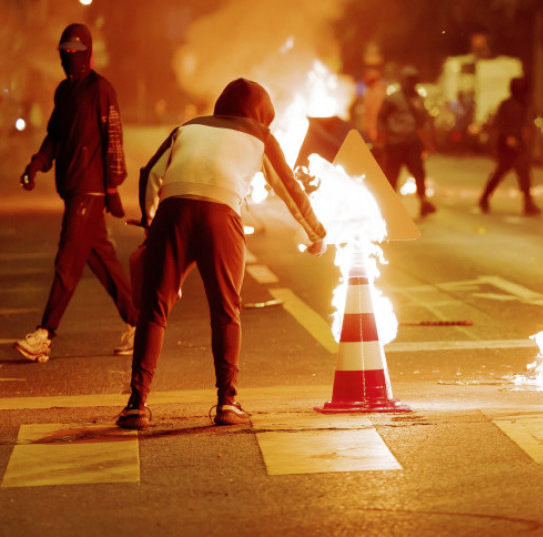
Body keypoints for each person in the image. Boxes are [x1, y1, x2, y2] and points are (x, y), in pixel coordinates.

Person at [115, 78, 328, 430]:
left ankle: (136, 405)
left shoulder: (188, 127)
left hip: (173, 213)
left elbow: (150, 174)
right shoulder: (261, 137)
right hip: (220, 217)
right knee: (225, 310)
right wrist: (315, 233)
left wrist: (151, 223)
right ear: (262, 113)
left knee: (154, 309)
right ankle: (226, 403)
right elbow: (288, 189)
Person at [14, 23, 137, 363]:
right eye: (65, 51)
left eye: (76, 51)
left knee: (67, 260)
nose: (70, 56)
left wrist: (113, 185)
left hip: (91, 190)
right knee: (102, 261)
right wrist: (37, 164)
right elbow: (55, 135)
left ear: (88, 52)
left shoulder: (102, 90)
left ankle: (45, 334)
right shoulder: (65, 93)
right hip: (72, 188)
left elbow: (113, 139)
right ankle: (139, 324)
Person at [376, 66, 436, 218]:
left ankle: (423, 202)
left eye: (414, 80)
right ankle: (388, 207)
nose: (412, 83)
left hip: (412, 142)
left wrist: (427, 143)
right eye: (409, 80)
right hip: (395, 143)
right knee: (392, 175)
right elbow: (381, 119)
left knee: (419, 173)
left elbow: (423, 122)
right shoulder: (393, 99)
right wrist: (381, 139)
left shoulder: (419, 99)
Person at [479, 76, 541, 216]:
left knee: (523, 173)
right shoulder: (507, 104)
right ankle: (484, 198)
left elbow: (526, 123)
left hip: (519, 144)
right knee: (500, 172)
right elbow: (500, 123)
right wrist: (509, 137)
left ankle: (528, 203)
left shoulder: (524, 104)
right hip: (507, 144)